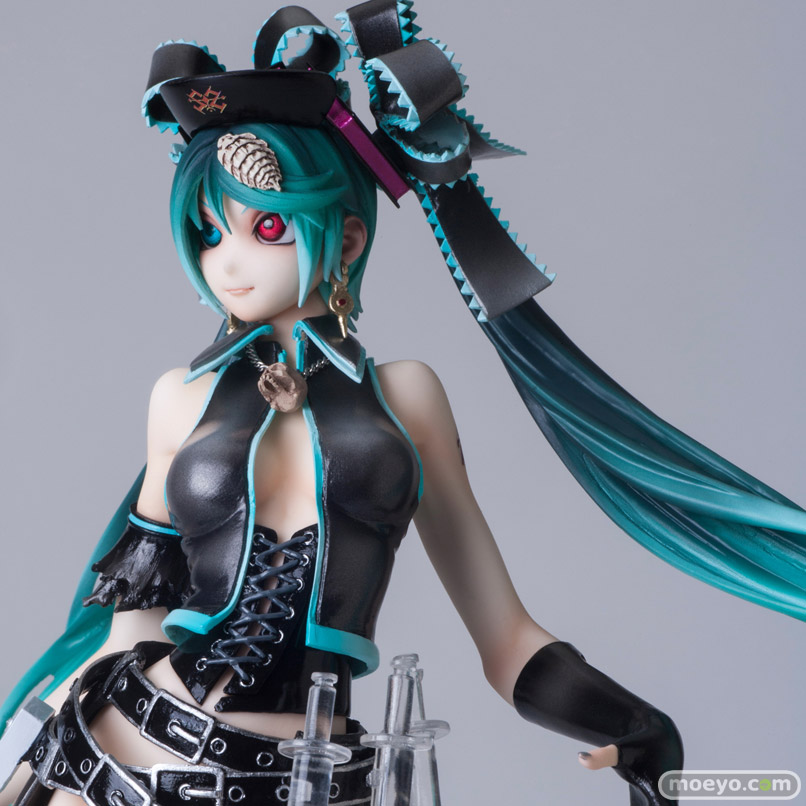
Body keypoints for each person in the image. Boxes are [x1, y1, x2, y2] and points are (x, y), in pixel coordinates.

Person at [1, 4, 804, 806]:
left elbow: (506, 639)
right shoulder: (180, 397)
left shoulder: (406, 398)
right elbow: (132, 625)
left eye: (266, 226)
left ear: (348, 239)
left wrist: (634, 724)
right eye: (208, 232)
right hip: (125, 754)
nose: (227, 263)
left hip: (310, 781)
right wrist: (33, 757)